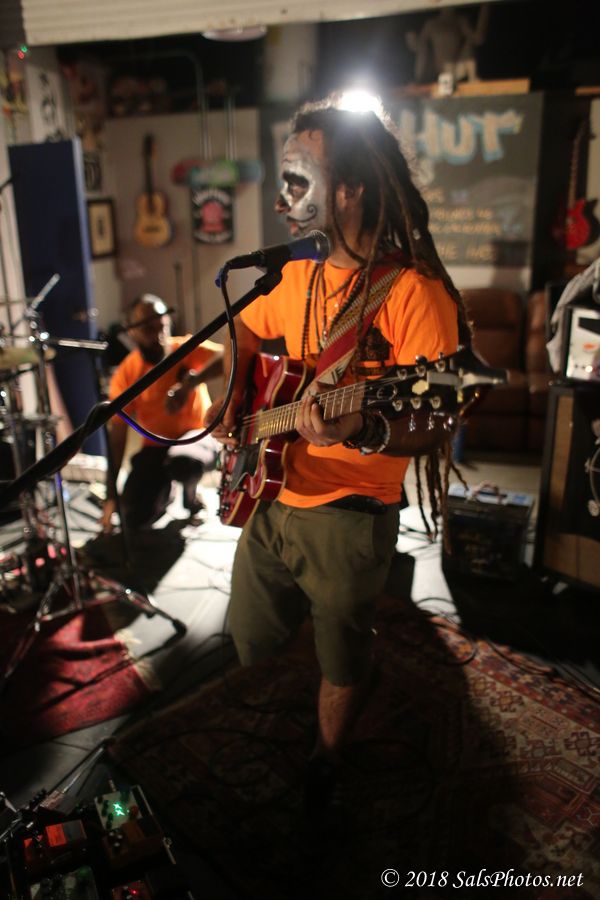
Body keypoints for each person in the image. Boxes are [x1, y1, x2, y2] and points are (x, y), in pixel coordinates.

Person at [205, 98, 471, 810]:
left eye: (298, 180)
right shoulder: (295, 275)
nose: (281, 199)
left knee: (343, 653)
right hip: (268, 495)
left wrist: (361, 430)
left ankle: (326, 756)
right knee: (250, 636)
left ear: (349, 189)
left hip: (350, 512)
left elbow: (438, 415)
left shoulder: (415, 294)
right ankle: (269, 723)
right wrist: (234, 399)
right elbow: (242, 333)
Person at [101, 294, 223, 532]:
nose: (158, 336)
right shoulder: (127, 373)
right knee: (132, 515)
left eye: (163, 327)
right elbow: (117, 438)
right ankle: (166, 491)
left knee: (184, 463)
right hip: (156, 445)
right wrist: (110, 495)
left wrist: (192, 382)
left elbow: (228, 356)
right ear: (131, 331)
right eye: (148, 329)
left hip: (196, 436)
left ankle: (191, 496)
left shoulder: (184, 348)